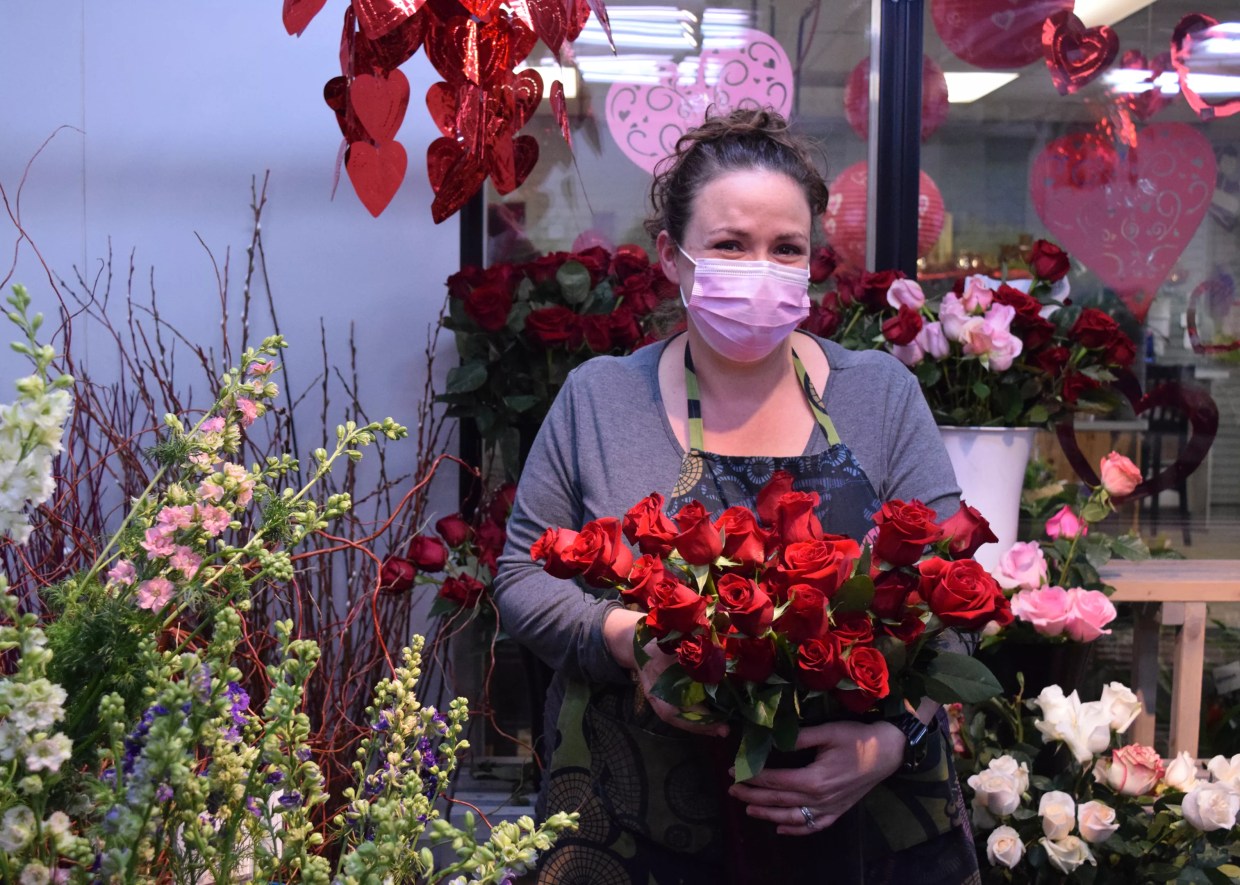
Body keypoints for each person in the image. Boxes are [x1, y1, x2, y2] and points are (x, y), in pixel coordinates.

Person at [495, 108, 981, 884]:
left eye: (785, 248)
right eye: (729, 245)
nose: (760, 268)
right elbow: (520, 576)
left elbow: (954, 593)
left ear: (812, 260)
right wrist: (628, 637)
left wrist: (890, 741)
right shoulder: (600, 401)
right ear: (672, 257)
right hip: (634, 829)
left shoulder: (878, 395)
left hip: (864, 833)